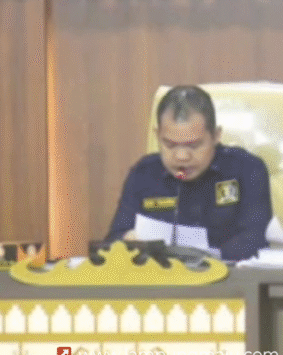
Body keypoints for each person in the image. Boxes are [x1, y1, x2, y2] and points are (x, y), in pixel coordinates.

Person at [106, 85, 272, 261]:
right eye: (170, 145)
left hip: (228, 275)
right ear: (157, 135)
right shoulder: (143, 174)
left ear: (216, 136)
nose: (181, 157)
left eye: (194, 145)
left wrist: (208, 258)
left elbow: (255, 239)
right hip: (162, 276)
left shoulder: (246, 170)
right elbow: (114, 240)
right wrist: (126, 241)